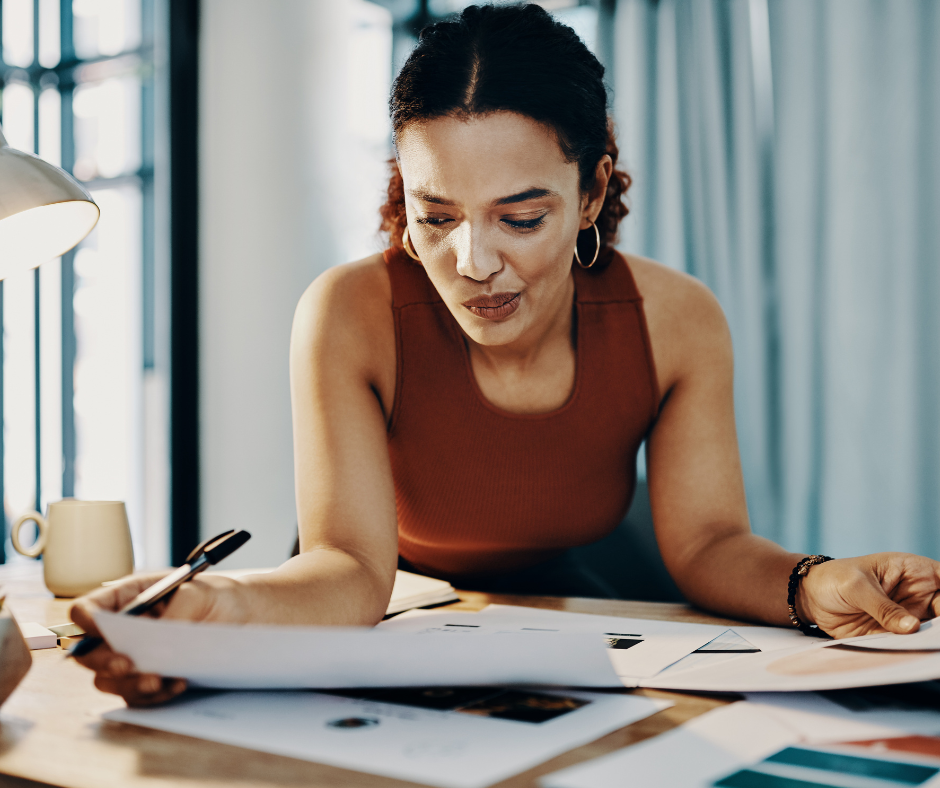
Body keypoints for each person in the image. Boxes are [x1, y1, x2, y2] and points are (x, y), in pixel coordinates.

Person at [72, 3, 940, 707]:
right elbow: (351, 569)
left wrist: (810, 581)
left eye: (520, 218)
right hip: (371, 605)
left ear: (593, 188)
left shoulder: (676, 319)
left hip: (586, 603)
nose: (472, 263)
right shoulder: (349, 312)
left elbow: (708, 541)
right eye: (436, 214)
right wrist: (213, 608)